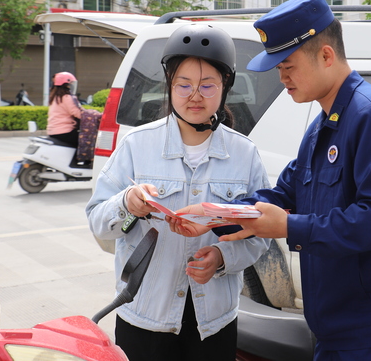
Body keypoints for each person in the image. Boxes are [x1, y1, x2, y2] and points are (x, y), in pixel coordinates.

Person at [170, 0, 371, 360]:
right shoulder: (321, 127)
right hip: (338, 329)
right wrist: (216, 217)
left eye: (288, 66)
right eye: (278, 69)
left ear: (326, 55)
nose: (282, 78)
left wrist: (289, 227)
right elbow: (283, 194)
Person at [85, 23, 270, 361]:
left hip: (212, 322)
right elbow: (98, 221)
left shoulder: (245, 155)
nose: (194, 95)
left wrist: (221, 259)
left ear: (225, 86)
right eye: (183, 84)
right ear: (169, 85)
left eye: (207, 85)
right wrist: (127, 203)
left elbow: (260, 235)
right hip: (143, 316)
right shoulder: (136, 146)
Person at [47, 71, 83, 147]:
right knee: (86, 140)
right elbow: (77, 113)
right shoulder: (67, 97)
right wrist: (91, 115)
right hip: (65, 132)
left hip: (52, 132)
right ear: (67, 85)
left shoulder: (55, 97)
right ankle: (82, 158)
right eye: (71, 84)